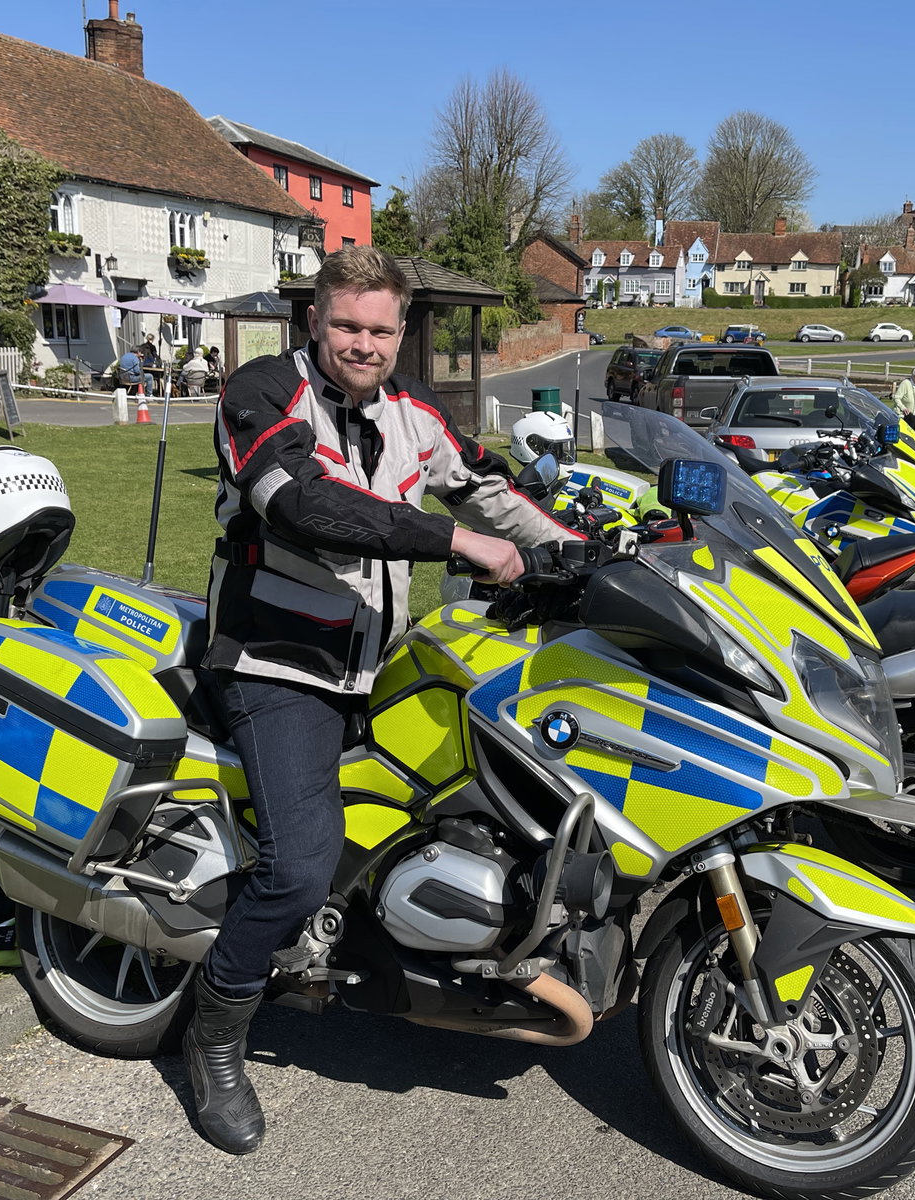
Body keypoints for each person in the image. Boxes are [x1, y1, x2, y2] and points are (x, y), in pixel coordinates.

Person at [191, 246, 583, 1156]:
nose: (364, 344)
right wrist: (460, 546)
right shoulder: (258, 394)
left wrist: (579, 546)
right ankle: (215, 1040)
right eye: (347, 327)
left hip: (386, 660)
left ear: (401, 332)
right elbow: (307, 507)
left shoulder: (412, 411)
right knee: (298, 862)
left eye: (380, 329)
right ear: (315, 324)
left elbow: (488, 486)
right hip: (278, 665)